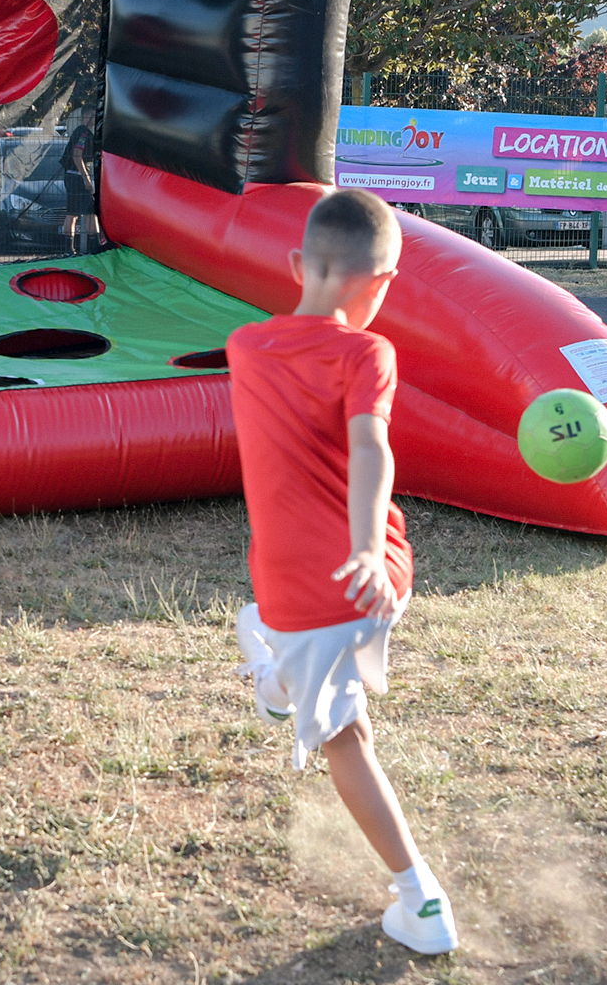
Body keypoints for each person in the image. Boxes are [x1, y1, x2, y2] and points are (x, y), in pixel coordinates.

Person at [226, 189, 457, 956]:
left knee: (345, 737)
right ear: (383, 283)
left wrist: (352, 554)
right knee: (310, 672)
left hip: (310, 592)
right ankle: (275, 682)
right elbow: (369, 444)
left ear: (297, 264)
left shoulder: (244, 348)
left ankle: (420, 901)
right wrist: (366, 549)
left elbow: (361, 447)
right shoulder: (369, 353)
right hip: (381, 575)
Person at [60, 104, 101, 252]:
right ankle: (91, 246)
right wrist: (86, 179)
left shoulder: (84, 133)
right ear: (87, 116)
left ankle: (72, 248)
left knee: (81, 212)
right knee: (84, 212)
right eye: (94, 116)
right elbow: (77, 156)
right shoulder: (83, 134)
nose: (96, 119)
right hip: (76, 177)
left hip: (73, 176)